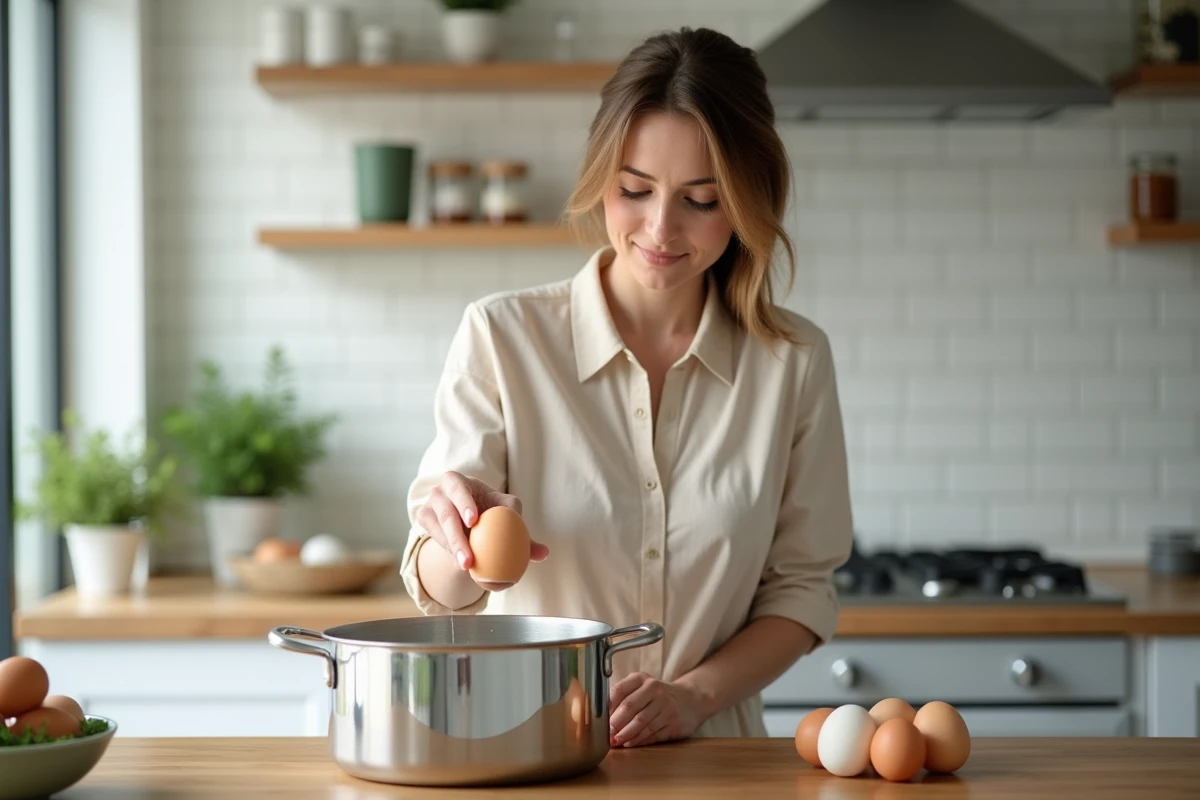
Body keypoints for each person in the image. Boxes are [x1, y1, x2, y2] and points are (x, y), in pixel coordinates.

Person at [400, 26, 853, 748]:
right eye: (634, 190)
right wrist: (458, 542)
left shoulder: (792, 363)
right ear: (600, 176)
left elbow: (803, 591)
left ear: (746, 200)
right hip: (532, 758)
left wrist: (694, 697)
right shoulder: (502, 337)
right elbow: (439, 589)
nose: (661, 228)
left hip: (719, 770)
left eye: (702, 200)